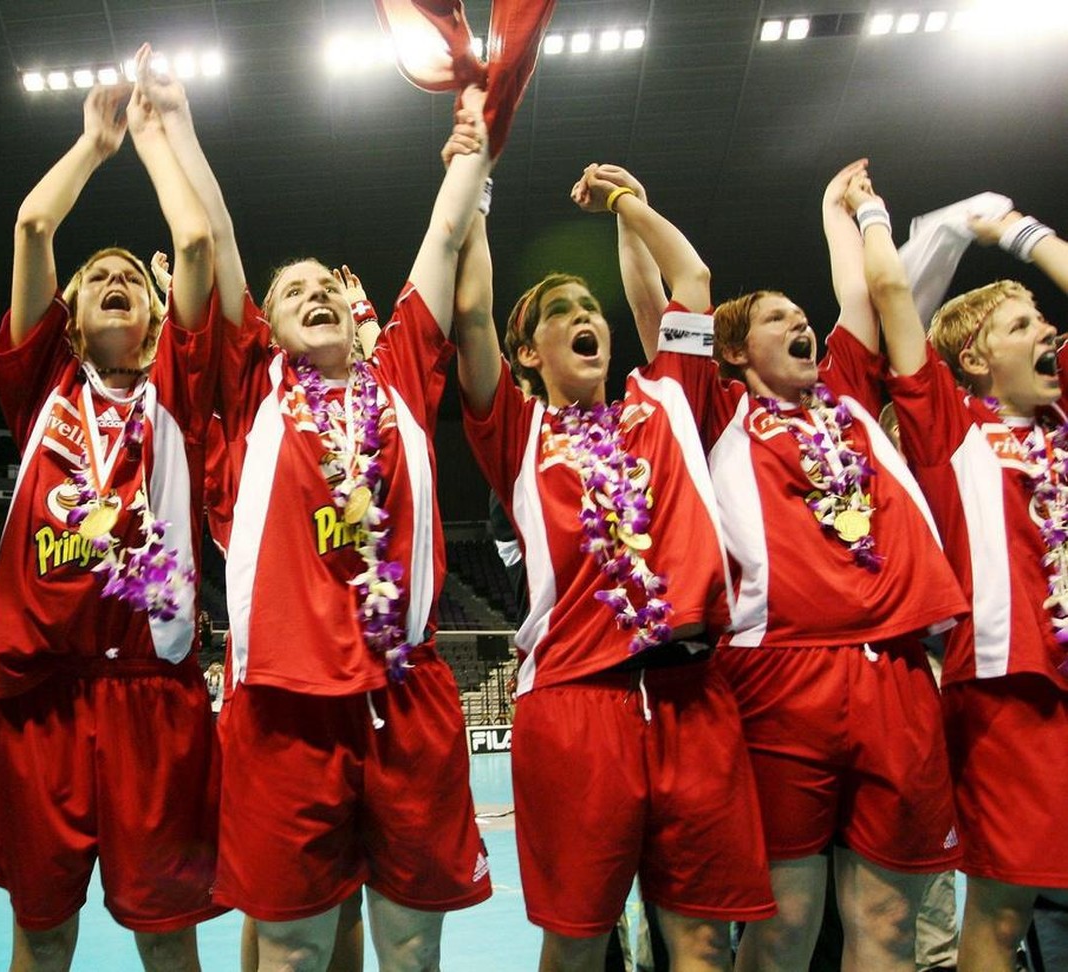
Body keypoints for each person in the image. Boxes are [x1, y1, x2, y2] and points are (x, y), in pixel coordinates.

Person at [156, 70, 493, 964]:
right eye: (292, 289)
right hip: (285, 708)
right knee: (295, 951)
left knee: (412, 952)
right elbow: (219, 236)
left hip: (406, 695)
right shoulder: (255, 387)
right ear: (267, 321)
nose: (316, 295)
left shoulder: (405, 379)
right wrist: (183, 126)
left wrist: (476, 129)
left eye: (328, 288)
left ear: (357, 310)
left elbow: (447, 229)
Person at [614, 159, 969, 972]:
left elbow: (855, 300)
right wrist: (630, 216)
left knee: (886, 922)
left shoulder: (845, 388)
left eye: (799, 316)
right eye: (778, 320)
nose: (801, 325)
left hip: (897, 669)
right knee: (785, 925)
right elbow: (654, 310)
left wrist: (834, 207)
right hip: (780, 676)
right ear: (734, 350)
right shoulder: (714, 409)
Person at [454, 159, 775, 971]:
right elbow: (470, 313)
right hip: (575, 705)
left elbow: (692, 277)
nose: (581, 316)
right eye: (559, 312)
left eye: (589, 306)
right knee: (577, 943)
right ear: (529, 352)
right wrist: (479, 182)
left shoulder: (665, 398)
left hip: (691, 698)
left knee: (701, 940)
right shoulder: (519, 433)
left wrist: (629, 202)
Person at [0, 46, 225, 972]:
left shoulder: (179, 388)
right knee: (42, 939)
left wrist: (160, 135)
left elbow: (197, 245)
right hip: (39, 698)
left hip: (150, 695)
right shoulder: (39, 378)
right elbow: (35, 224)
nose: (117, 279)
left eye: (134, 275)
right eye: (100, 276)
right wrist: (94, 142)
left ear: (159, 315)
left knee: (169, 940)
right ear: (68, 317)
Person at [860, 179, 1068, 972]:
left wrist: (1019, 231)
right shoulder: (952, 430)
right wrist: (882, 216)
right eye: (1021, 325)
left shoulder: (1062, 415)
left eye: (1043, 320)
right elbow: (889, 296)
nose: (1047, 330)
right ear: (976, 357)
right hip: (1009, 691)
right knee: (1003, 908)